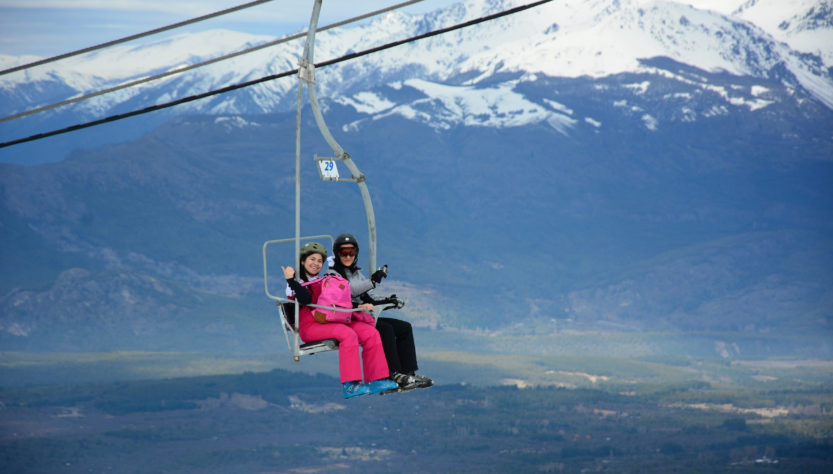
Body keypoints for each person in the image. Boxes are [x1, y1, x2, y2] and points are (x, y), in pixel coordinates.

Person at [283, 241, 398, 398]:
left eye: (319, 261)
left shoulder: (324, 280)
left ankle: (376, 379)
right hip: (311, 325)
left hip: (330, 319)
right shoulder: (296, 284)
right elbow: (305, 298)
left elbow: (337, 301)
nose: (315, 264)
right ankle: (350, 385)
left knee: (369, 332)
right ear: (303, 261)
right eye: (312, 259)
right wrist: (291, 280)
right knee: (347, 334)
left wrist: (359, 306)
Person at [329, 233, 433, 391]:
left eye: (352, 252)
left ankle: (408, 372)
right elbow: (351, 292)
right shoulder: (333, 276)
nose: (348, 256)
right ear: (337, 253)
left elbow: (368, 296)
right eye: (344, 252)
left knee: (404, 327)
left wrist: (388, 301)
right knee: (386, 329)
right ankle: (393, 373)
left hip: (366, 316)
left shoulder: (356, 273)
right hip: (352, 318)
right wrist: (372, 281)